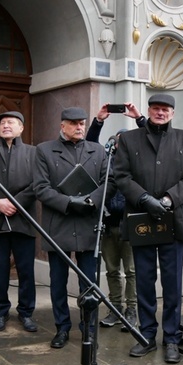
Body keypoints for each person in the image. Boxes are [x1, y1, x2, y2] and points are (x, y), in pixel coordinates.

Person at [114, 93, 183, 363]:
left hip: (172, 219)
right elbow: (121, 175)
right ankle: (147, 335)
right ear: (148, 110)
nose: (160, 113)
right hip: (140, 218)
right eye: (155, 108)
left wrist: (166, 199)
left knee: (173, 283)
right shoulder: (129, 140)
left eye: (165, 109)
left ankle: (172, 338)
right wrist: (143, 198)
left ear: (173, 113)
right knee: (144, 281)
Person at [34, 107, 110, 349]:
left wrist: (91, 200)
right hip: (59, 224)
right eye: (74, 123)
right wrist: (68, 202)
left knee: (89, 282)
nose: (79, 127)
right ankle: (62, 328)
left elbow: (110, 181)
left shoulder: (97, 150)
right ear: (62, 125)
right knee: (58, 281)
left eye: (82, 123)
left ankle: (89, 328)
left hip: (89, 225)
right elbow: (41, 188)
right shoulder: (44, 150)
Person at [0, 110, 39, 333]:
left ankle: (26, 312)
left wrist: (16, 203)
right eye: (2, 123)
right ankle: (0, 312)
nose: (6, 126)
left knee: (26, 270)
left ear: (21, 127)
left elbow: (37, 184)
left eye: (11, 122)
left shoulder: (33, 152)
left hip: (24, 220)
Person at [86, 109, 145, 331]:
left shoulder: (138, 162)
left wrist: (139, 119)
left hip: (130, 224)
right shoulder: (106, 160)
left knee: (131, 271)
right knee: (111, 270)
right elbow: (90, 143)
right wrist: (99, 121)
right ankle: (115, 308)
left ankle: (131, 310)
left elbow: (151, 136)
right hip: (109, 225)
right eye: (120, 141)